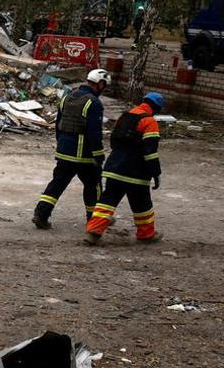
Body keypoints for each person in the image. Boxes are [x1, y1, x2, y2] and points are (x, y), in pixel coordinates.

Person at [85, 91, 167, 245]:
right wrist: (155, 173)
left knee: (107, 201)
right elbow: (150, 151)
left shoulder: (124, 116)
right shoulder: (149, 122)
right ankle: (146, 234)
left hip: (114, 168)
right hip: (136, 173)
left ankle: (93, 233)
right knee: (142, 204)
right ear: (156, 108)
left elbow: (113, 141)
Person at [34, 69, 108, 229]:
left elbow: (58, 124)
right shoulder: (94, 103)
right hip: (83, 154)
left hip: (64, 150)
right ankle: (95, 220)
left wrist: (62, 143)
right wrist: (98, 155)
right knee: (93, 185)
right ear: (100, 84)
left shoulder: (67, 97)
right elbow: (94, 133)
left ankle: (41, 214)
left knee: (58, 182)